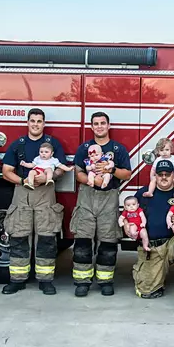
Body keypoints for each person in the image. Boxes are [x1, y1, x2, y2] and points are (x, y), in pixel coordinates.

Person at [1, 108, 67, 296]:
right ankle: (17, 280)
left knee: (46, 238)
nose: (36, 124)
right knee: (19, 237)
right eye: (33, 120)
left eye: (39, 121)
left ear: (44, 124)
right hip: (22, 193)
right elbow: (7, 171)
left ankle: (45, 280)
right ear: (27, 123)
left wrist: (48, 176)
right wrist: (24, 180)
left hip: (46, 193)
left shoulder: (53, 144)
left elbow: (61, 168)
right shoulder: (17, 145)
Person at [71, 111, 132, 297]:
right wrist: (91, 181)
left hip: (109, 196)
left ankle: (105, 281)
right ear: (91, 127)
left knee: (108, 240)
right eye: (96, 123)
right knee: (83, 240)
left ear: (108, 125)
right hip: (87, 195)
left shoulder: (118, 149)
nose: (99, 126)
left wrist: (112, 170)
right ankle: (82, 281)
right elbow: (78, 171)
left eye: (102, 123)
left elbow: (127, 174)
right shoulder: (84, 148)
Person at [130, 160, 174, 307]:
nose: (164, 177)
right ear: (155, 175)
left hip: (172, 243)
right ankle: (155, 275)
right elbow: (128, 215)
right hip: (152, 248)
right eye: (160, 174)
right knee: (148, 292)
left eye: (167, 174)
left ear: (173, 175)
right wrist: (127, 227)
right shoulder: (144, 194)